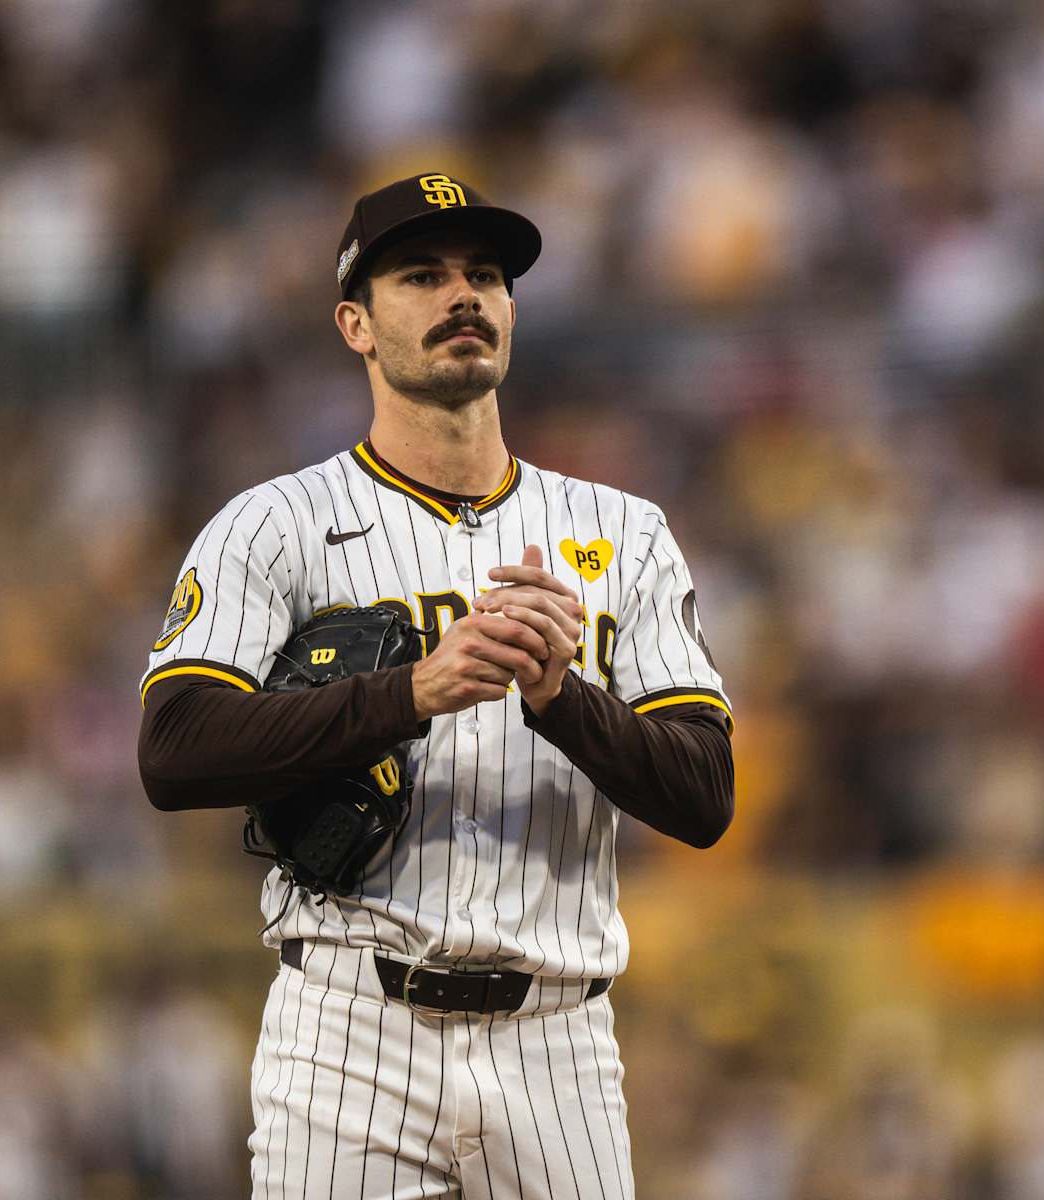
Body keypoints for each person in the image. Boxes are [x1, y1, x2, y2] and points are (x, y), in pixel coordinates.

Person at [137, 172, 734, 1199]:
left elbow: (704, 796)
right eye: (422, 275)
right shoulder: (273, 525)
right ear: (355, 324)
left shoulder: (623, 535)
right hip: (346, 1031)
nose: (463, 294)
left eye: (486, 275)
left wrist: (563, 699)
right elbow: (174, 750)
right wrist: (406, 693)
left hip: (557, 1039)